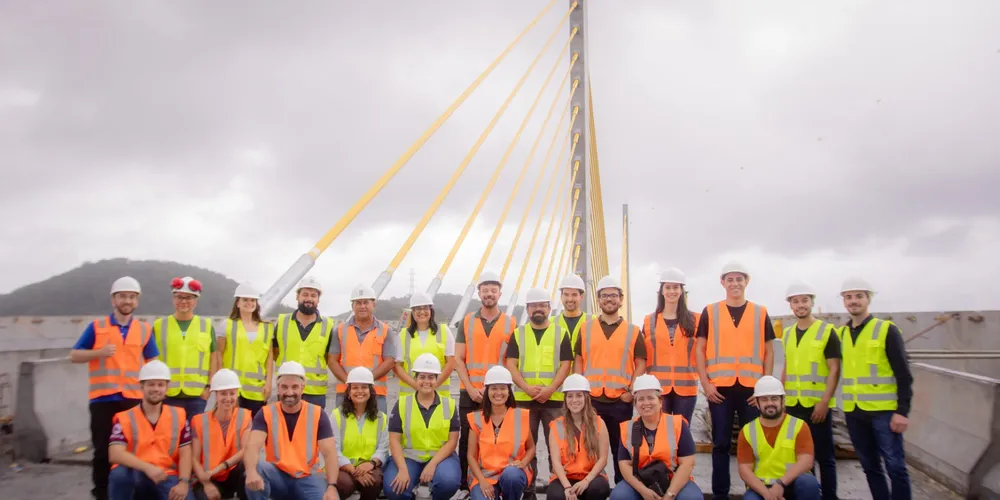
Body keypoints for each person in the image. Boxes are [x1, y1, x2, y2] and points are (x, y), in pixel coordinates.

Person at [70, 276, 159, 500]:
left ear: (137, 301)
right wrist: (98, 353)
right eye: (123, 296)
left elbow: (153, 364)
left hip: (133, 399)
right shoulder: (97, 327)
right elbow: (75, 355)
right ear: (114, 300)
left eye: (131, 297)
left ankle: (134, 492)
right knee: (102, 451)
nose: (127, 301)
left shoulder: (144, 329)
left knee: (135, 449)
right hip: (103, 399)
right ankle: (102, 493)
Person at [695, 261, 776, 499]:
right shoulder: (711, 311)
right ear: (722, 282)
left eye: (739, 279)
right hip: (720, 390)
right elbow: (699, 349)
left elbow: (769, 351)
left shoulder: (760, 312)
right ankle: (721, 495)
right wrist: (706, 384)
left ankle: (757, 492)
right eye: (729, 279)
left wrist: (764, 389)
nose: (734, 284)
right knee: (720, 444)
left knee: (754, 443)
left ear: (746, 281)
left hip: (752, 391)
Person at [839, 277, 913, 500]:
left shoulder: (886, 330)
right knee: (870, 467)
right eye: (848, 297)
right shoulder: (842, 334)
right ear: (844, 301)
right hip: (854, 411)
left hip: (884, 412)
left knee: (895, 466)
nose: (853, 301)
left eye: (859, 296)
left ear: (868, 299)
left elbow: (903, 374)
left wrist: (902, 411)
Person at [575, 275, 646, 485]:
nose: (609, 299)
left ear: (621, 299)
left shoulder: (633, 331)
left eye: (614, 295)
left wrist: (631, 392)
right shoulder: (586, 329)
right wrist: (580, 391)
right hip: (592, 400)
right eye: (605, 295)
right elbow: (579, 360)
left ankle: (621, 489)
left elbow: (640, 363)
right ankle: (591, 488)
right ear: (598, 300)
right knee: (589, 447)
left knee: (620, 449)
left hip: (619, 401)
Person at [505, 286, 573, 500]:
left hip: (554, 400)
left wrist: (550, 389)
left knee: (558, 447)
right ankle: (529, 492)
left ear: (549, 308)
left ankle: (557, 488)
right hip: (524, 400)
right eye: (534, 305)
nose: (538, 309)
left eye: (542, 305)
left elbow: (566, 364)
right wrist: (526, 388)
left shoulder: (560, 333)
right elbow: (511, 364)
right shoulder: (518, 333)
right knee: (526, 448)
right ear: (527, 308)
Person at [455, 270, 516, 491]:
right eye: (485, 290)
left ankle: (498, 483)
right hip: (470, 392)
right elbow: (458, 359)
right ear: (479, 293)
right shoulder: (466, 322)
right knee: (466, 440)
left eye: (493, 290)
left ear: (500, 293)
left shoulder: (511, 323)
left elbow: (513, 361)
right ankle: (465, 486)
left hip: (499, 394)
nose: (489, 293)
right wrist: (471, 388)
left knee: (499, 439)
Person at [243, 361, 340, 500]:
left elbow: (330, 453)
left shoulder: (317, 414)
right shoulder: (266, 413)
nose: (289, 392)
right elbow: (252, 446)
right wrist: (251, 472)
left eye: (295, 387)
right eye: (284, 387)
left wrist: (332, 486)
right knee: (256, 469)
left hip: (308, 477)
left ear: (302, 388)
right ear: (278, 388)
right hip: (278, 476)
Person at [782, 280, 841, 500]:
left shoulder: (827, 331)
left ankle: (829, 496)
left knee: (825, 456)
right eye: (796, 301)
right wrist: (782, 399)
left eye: (804, 300)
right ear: (791, 305)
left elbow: (834, 369)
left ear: (812, 302)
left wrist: (825, 402)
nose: (800, 305)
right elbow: (787, 367)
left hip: (817, 406)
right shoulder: (788, 334)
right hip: (793, 404)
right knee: (801, 456)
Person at [107, 360, 194, 500]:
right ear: (141, 387)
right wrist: (147, 468)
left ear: (167, 387)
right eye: (151, 384)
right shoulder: (124, 418)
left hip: (166, 475)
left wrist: (184, 482)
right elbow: (115, 454)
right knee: (120, 475)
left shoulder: (179, 415)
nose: (156, 389)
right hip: (136, 474)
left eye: (160, 385)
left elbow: (185, 452)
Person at [384, 353, 462, 500]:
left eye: (431, 377)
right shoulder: (402, 404)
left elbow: (452, 441)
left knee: (448, 482)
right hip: (409, 457)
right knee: (394, 488)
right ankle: (410, 495)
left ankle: (435, 496)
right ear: (415, 379)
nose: (426, 381)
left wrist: (432, 464)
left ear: (437, 380)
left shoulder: (449, 405)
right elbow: (394, 440)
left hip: (440, 458)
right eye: (422, 377)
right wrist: (402, 469)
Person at [612, 374, 702, 500]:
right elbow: (624, 464)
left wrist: (670, 495)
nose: (646, 403)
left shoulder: (678, 424)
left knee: (691, 498)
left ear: (660, 402)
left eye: (650, 398)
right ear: (635, 404)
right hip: (641, 480)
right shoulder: (628, 428)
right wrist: (643, 491)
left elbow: (687, 463)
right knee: (620, 496)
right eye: (641, 399)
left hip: (673, 479)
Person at [737, 376, 821, 500]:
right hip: (762, 487)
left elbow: (806, 462)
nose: (770, 403)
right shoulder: (747, 431)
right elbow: (745, 470)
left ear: (783, 401)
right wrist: (768, 495)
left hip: (792, 483)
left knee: (809, 483)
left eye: (774, 398)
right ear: (757, 403)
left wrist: (780, 484)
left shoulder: (799, 426)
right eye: (764, 399)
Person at [153, 276, 220, 422]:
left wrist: (209, 387)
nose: (184, 301)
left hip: (197, 395)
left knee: (196, 433)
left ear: (196, 300)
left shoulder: (206, 325)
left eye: (189, 298)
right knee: (170, 433)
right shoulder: (159, 326)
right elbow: (151, 359)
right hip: (168, 394)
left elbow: (213, 357)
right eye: (179, 297)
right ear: (173, 299)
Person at [467, 366, 535, 500]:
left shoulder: (520, 417)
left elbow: (531, 448)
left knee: (512, 477)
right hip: (484, 476)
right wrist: (482, 481)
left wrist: (523, 463)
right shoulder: (476, 419)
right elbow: (471, 456)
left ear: (509, 391)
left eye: (503, 388)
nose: (498, 393)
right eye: (494, 388)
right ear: (487, 391)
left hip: (512, 474)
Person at [642, 268, 700, 423]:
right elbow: (642, 356)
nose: (671, 291)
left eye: (676, 287)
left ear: (681, 291)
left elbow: (704, 352)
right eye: (668, 287)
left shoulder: (696, 320)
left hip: (687, 387)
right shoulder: (649, 321)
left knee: (682, 429)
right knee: (660, 429)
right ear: (662, 291)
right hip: (658, 388)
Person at [272, 276, 336, 409]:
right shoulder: (283, 322)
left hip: (315, 391)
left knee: (314, 423)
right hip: (287, 389)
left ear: (318, 299)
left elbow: (329, 357)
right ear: (297, 296)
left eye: (313, 295)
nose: (309, 299)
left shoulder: (328, 325)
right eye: (305, 294)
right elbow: (275, 353)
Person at [330, 285, 396, 413]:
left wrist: (366, 381)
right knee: (342, 425)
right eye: (358, 303)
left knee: (377, 425)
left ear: (373, 304)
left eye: (366, 302)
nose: (362, 306)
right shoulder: (340, 330)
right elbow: (332, 361)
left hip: (376, 393)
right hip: (345, 392)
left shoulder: (385, 330)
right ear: (352, 306)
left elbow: (389, 361)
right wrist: (350, 383)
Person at [546, 374, 610, 500]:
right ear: (565, 399)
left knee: (598, 489)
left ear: (586, 398)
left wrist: (586, 481)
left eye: (579, 395)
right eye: (570, 396)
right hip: (566, 477)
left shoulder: (598, 423)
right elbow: (556, 462)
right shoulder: (557, 425)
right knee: (556, 496)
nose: (574, 400)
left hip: (591, 476)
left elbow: (603, 459)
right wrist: (567, 487)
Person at [191, 369, 252, 500]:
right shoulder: (199, 421)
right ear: (216, 394)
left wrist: (219, 468)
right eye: (223, 394)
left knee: (249, 465)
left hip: (232, 474)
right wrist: (206, 484)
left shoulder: (245, 416)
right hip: (209, 478)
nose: (228, 398)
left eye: (232, 393)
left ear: (237, 393)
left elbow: (245, 450)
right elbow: (194, 459)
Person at [332, 367, 389, 500]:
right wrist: (354, 471)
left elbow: (383, 448)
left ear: (370, 391)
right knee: (343, 483)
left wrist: (372, 463)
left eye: (364, 387)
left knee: (373, 481)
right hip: (344, 467)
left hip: (369, 465)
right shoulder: (337, 415)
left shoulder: (381, 418)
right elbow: (334, 449)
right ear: (349, 392)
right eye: (355, 387)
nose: (360, 391)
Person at [219, 282, 274, 416]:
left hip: (257, 388)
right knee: (233, 425)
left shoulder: (267, 328)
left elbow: (269, 358)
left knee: (255, 425)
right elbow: (218, 355)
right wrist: (220, 383)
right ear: (238, 303)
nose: (249, 303)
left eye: (252, 300)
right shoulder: (227, 325)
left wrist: (268, 384)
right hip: (232, 388)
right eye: (245, 300)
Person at [394, 292, 456, 399]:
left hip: (439, 396)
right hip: (410, 397)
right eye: (418, 308)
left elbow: (451, 362)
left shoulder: (444, 331)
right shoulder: (403, 335)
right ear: (412, 311)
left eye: (425, 308)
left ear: (431, 310)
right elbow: (397, 366)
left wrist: (432, 386)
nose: (422, 312)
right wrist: (417, 386)